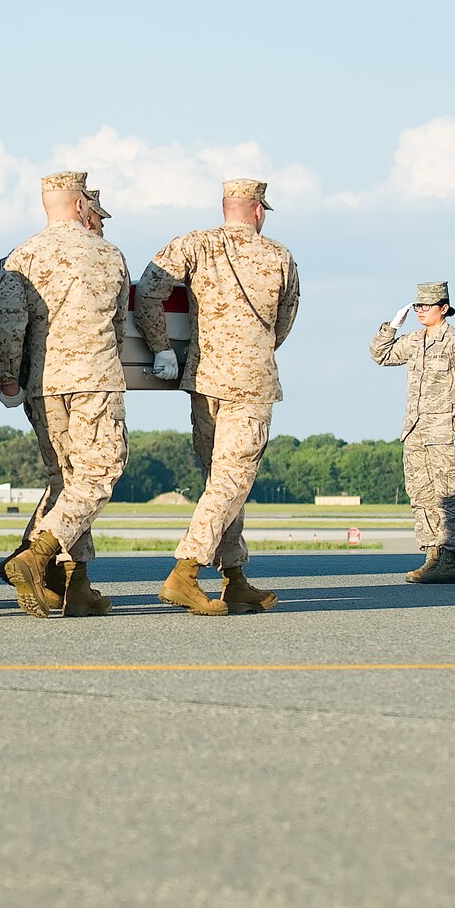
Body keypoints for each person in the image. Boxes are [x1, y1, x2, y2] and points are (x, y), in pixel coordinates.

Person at [134, 179, 300, 614]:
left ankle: (235, 576)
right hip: (250, 384)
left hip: (205, 380)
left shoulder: (193, 245)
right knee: (232, 481)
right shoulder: (279, 256)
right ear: (258, 211)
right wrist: (254, 352)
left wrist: (162, 347)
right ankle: (184, 573)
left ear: (226, 207)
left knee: (221, 483)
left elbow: (148, 293)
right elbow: (284, 322)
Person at [0, 172, 132, 617]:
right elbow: (118, 326)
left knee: (67, 480)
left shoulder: (23, 256)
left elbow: (10, 324)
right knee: (99, 474)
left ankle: (78, 584)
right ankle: (37, 554)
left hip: (43, 385)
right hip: (94, 379)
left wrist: (10, 379)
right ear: (79, 205)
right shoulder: (109, 254)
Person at [371, 281, 455, 584]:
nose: (420, 311)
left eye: (426, 306)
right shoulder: (414, 340)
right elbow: (381, 355)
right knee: (422, 495)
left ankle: (447, 559)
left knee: (450, 496)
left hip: (444, 433)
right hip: (415, 432)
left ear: (443, 309)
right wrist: (391, 326)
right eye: (417, 306)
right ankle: (431, 557)